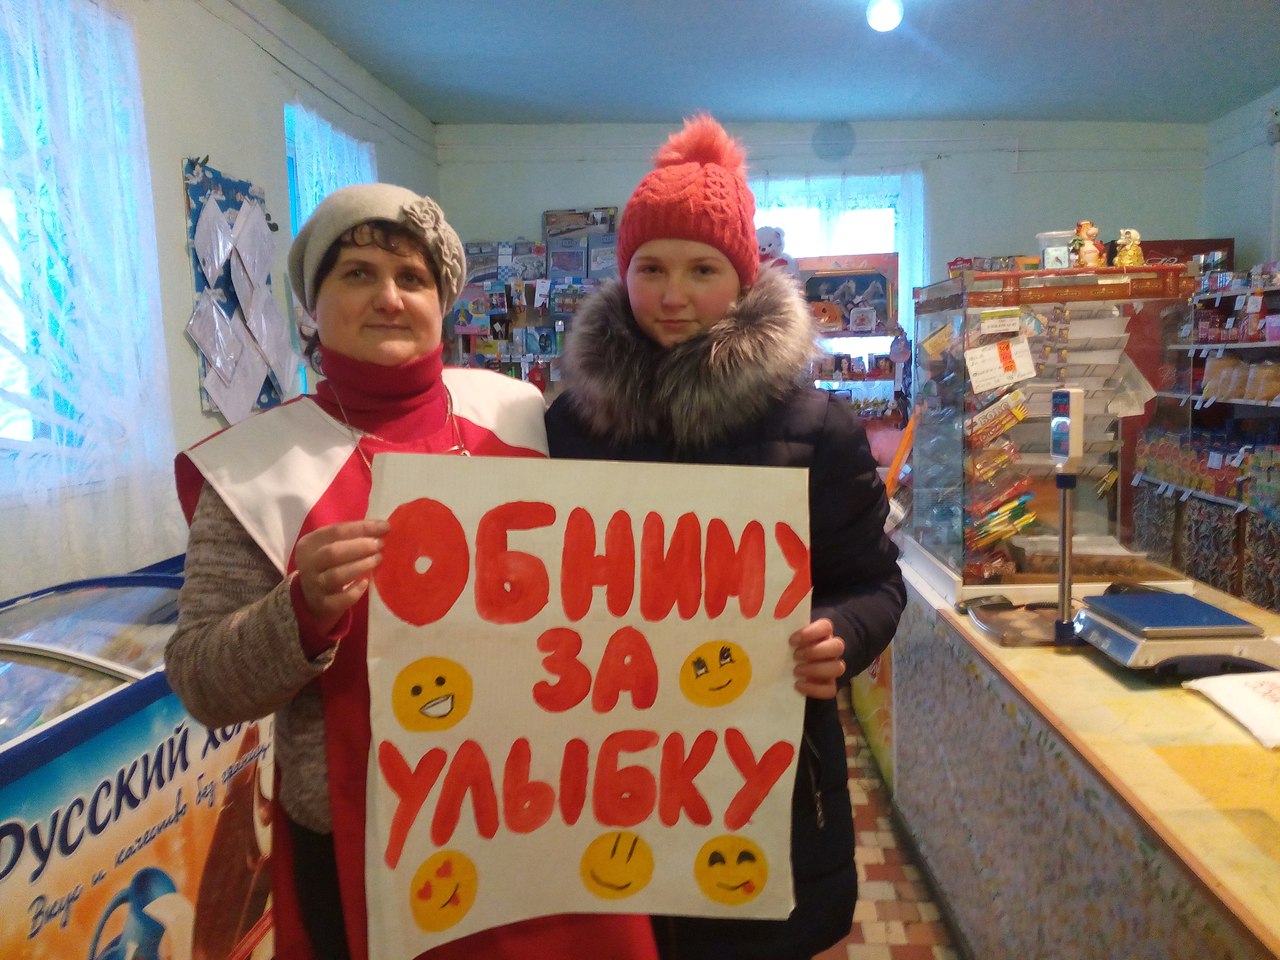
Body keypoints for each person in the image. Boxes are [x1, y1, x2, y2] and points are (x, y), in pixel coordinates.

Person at [166, 184, 658, 960]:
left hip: (537, 813)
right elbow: (203, 681)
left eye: (413, 278)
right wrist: (299, 613)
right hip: (362, 848)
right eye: (357, 274)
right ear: (313, 303)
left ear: (443, 301)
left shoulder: (523, 416)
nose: (389, 298)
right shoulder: (255, 470)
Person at [545, 116, 906, 960]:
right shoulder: (569, 424)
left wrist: (840, 634)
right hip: (607, 767)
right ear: (623, 275)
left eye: (702, 269)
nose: (673, 294)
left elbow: (876, 583)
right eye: (651, 268)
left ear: (743, 281)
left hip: (763, 769)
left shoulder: (815, 427)